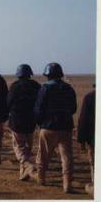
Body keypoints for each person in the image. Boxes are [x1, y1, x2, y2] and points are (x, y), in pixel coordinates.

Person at [34, 62, 77, 193]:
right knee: (67, 156)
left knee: (43, 155)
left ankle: (41, 178)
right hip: (66, 127)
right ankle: (67, 184)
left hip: (49, 126)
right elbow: (73, 108)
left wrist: (39, 123)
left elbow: (39, 108)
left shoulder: (45, 88)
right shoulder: (69, 88)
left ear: (48, 75)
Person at [7, 64, 41, 181]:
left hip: (17, 121)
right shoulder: (36, 86)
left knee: (19, 147)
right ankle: (23, 172)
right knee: (28, 147)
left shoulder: (14, 86)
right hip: (31, 121)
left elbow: (9, 102)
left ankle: (27, 165)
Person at [77, 84, 95, 196]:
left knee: (94, 163)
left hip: (94, 140)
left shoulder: (90, 97)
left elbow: (83, 121)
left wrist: (82, 140)